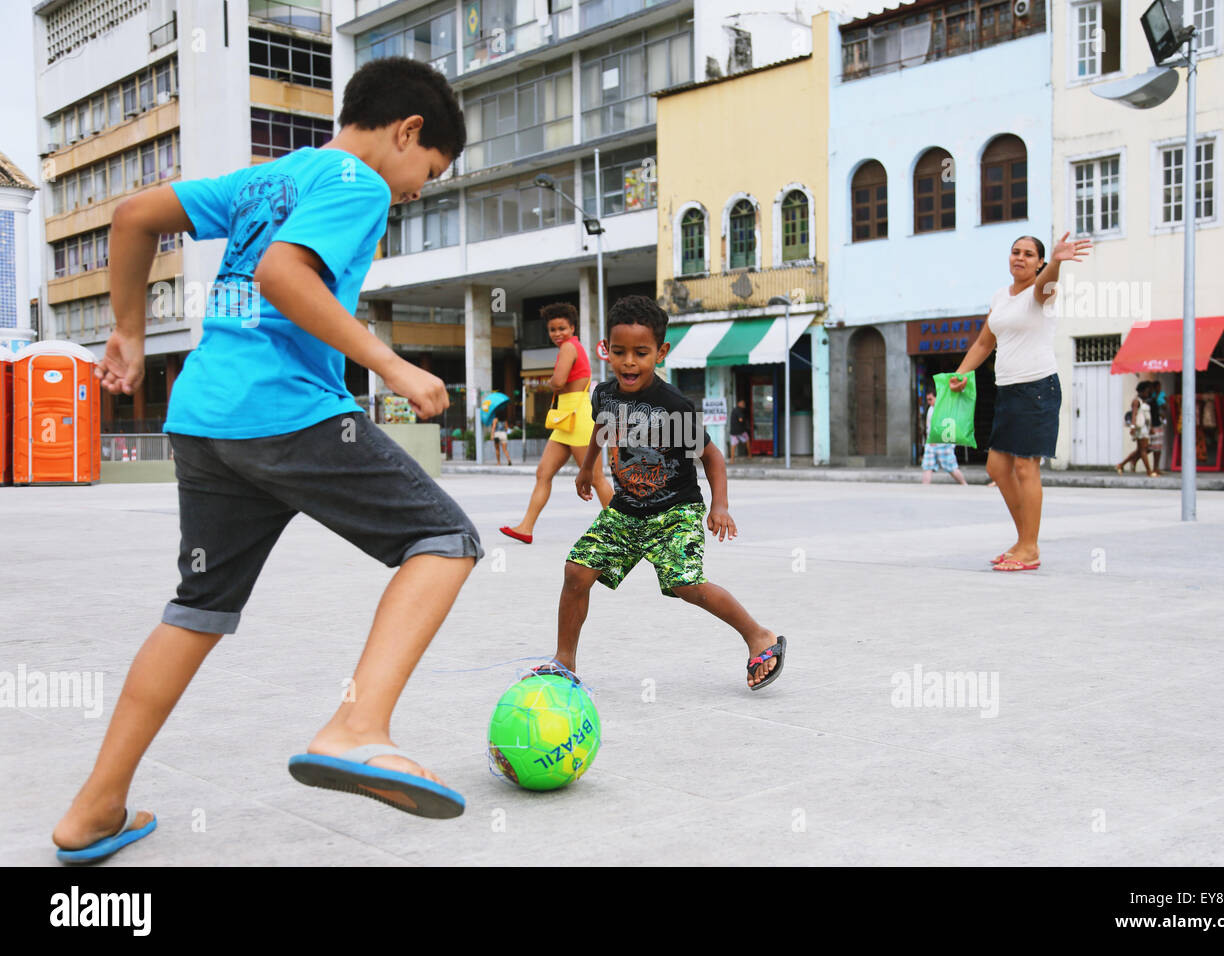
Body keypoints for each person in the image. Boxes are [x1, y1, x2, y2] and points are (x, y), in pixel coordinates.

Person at [53, 58, 483, 864]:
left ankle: (94, 809)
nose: (419, 190)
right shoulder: (359, 184)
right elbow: (287, 275)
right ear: (408, 132)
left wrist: (130, 329)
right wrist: (391, 367)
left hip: (206, 422)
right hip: (284, 412)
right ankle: (358, 726)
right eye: (429, 173)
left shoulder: (267, 179)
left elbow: (134, 213)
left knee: (198, 608)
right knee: (444, 541)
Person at [536, 295, 787, 691]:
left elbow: (712, 457)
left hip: (676, 510)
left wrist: (719, 505)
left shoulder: (673, 405)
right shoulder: (604, 393)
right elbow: (602, 430)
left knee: (687, 584)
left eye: (641, 353)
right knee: (576, 572)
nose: (629, 363)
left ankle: (759, 636)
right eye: (619, 352)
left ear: (661, 352)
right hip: (628, 508)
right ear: (607, 350)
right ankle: (564, 660)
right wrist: (587, 469)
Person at [950, 233, 1091, 571]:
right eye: (1016, 252)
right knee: (997, 468)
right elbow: (985, 343)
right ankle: (1023, 540)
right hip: (1008, 391)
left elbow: (1046, 284)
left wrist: (1056, 261)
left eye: (1029, 254)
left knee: (1027, 467)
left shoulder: (1042, 292)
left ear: (1039, 262)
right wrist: (961, 373)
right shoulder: (1000, 297)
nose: (1021, 258)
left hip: (1038, 389)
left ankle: (1029, 548)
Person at [500, 303, 612, 543]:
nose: (557, 333)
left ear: (572, 327)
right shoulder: (573, 347)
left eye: (562, 327)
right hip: (566, 420)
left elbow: (558, 381)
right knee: (543, 473)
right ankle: (525, 528)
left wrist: (550, 381)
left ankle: (625, 532)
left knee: (596, 478)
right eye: (552, 329)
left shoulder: (570, 347)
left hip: (579, 417)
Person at [920, 390, 968, 485]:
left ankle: (964, 484)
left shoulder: (943, 408)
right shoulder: (931, 409)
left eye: (930, 399)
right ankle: (924, 487)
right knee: (927, 466)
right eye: (928, 400)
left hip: (942, 442)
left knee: (951, 468)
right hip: (932, 442)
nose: (929, 402)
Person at [1116, 382, 1157, 476]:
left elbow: (1146, 416)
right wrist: (1133, 427)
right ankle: (1149, 471)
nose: (1148, 393)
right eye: (1146, 391)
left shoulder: (1144, 401)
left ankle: (1121, 465)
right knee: (1143, 450)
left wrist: (1150, 428)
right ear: (1142, 391)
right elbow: (1134, 414)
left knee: (1140, 450)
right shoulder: (1136, 401)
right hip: (1140, 429)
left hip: (1145, 428)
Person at [1146, 380, 1167, 472]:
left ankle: (1156, 468)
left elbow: (1164, 407)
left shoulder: (1156, 398)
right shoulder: (1149, 400)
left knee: (1157, 447)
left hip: (1157, 423)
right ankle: (1153, 468)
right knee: (1152, 447)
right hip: (1153, 425)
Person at [728, 397, 750, 463]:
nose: (744, 405)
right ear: (739, 403)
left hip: (733, 431)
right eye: (742, 403)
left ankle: (732, 459)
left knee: (733, 445)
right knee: (747, 441)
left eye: (744, 403)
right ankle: (750, 455)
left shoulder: (734, 410)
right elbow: (741, 420)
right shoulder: (739, 410)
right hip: (740, 430)